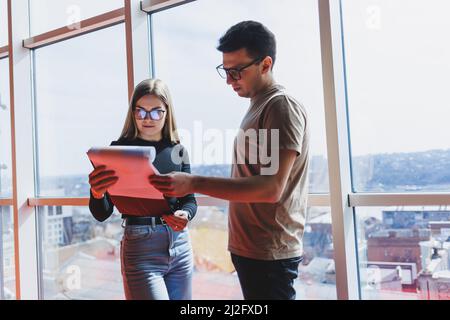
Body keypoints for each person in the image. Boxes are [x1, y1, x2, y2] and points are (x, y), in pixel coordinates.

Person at [150, 21, 310, 300]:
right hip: (253, 250)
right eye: (225, 70)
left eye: (236, 71)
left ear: (265, 64)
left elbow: (271, 188)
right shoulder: (259, 106)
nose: (229, 79)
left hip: (269, 252)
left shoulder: (279, 105)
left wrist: (194, 182)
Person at [88, 79, 197, 300]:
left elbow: (189, 200)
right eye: (141, 112)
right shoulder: (117, 151)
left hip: (181, 245)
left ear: (167, 113)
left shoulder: (179, 150)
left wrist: (186, 214)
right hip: (140, 248)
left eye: (156, 112)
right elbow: (102, 213)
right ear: (133, 113)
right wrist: (97, 193)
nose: (148, 119)